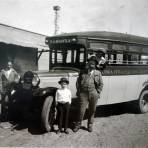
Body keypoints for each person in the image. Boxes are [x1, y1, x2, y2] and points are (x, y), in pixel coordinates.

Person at [73, 56, 103, 132]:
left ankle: (90, 125)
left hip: (93, 93)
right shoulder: (82, 72)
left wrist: (97, 92)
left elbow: (101, 84)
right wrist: (79, 92)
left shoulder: (98, 73)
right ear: (88, 63)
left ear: (96, 64)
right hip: (83, 94)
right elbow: (78, 82)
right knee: (81, 110)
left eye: (93, 63)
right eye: (90, 62)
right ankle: (78, 125)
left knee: (92, 110)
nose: (92, 64)